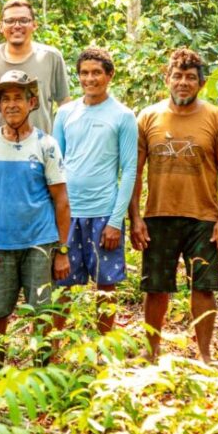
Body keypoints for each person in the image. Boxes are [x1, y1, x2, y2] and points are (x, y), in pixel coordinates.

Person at [129, 48, 218, 364]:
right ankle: (151, 352)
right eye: (177, 76)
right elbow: (135, 171)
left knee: (203, 287)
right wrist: (135, 218)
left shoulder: (216, 117)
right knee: (155, 288)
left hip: (203, 218)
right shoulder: (148, 117)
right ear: (167, 79)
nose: (183, 82)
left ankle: (205, 355)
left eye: (191, 77)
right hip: (158, 215)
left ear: (201, 83)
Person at [0, 70, 71, 372]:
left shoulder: (46, 145)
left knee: (41, 314)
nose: (12, 104)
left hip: (40, 244)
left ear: (32, 103)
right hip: (0, 245)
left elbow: (61, 200)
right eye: (5, 99)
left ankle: (42, 375)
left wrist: (62, 251)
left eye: (18, 98)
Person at [52, 48, 137, 334]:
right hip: (68, 213)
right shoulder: (66, 113)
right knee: (61, 283)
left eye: (97, 73)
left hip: (103, 212)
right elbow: (55, 164)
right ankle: (53, 349)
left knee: (105, 286)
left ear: (109, 75)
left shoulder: (123, 116)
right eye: (84, 73)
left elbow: (129, 170)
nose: (90, 79)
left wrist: (116, 221)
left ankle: (104, 348)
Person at [0, 0, 70, 170]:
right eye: (10, 21)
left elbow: (65, 108)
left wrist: (62, 150)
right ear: (1, 27)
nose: (17, 26)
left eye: (23, 20)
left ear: (34, 25)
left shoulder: (51, 57)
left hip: (40, 155)